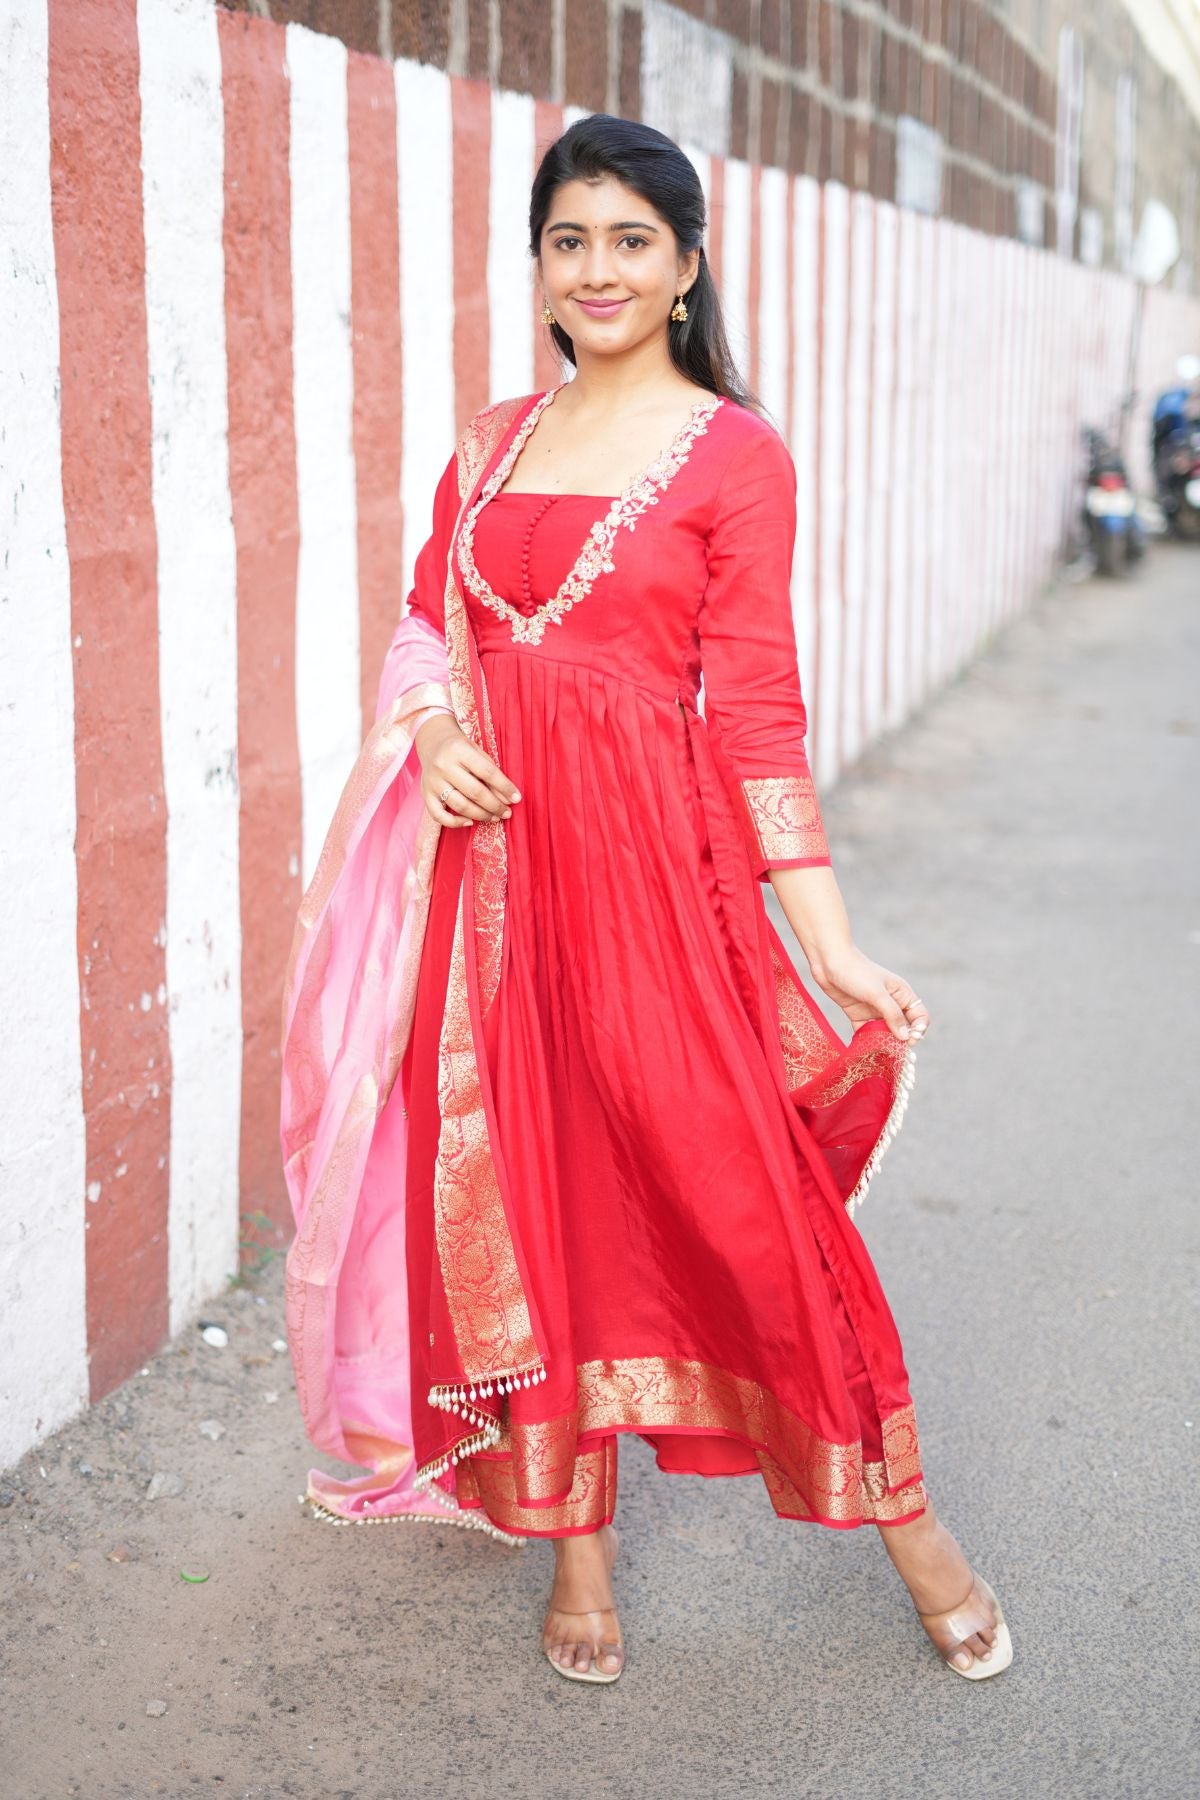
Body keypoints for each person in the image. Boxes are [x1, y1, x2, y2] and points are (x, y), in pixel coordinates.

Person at [279, 114, 1012, 1689]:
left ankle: (915, 1523)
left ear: (685, 268)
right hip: (490, 903)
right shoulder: (487, 444)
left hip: (658, 893)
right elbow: (425, 626)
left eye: (629, 240)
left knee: (749, 1205)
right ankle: (578, 1553)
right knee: (534, 1204)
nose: (596, 269)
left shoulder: (736, 457)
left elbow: (754, 710)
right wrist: (434, 731)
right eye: (568, 239)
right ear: (538, 268)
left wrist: (826, 939)